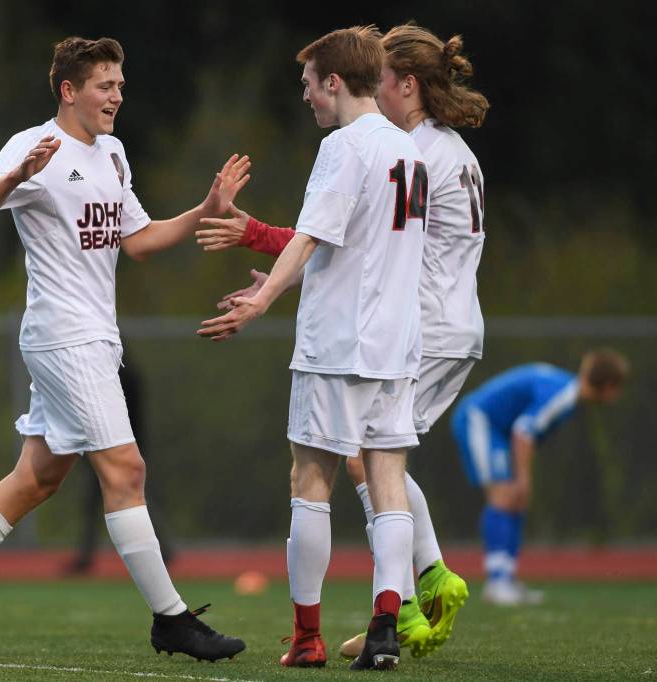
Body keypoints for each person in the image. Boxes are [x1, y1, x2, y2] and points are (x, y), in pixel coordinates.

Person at [0, 36, 249, 663]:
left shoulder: (111, 152)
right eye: (105, 85)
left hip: (95, 336)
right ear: (69, 90)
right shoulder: (36, 147)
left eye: (119, 85)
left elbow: (136, 240)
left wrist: (203, 210)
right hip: (63, 336)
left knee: (37, 478)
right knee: (127, 471)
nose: (117, 96)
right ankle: (171, 620)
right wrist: (15, 176)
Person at [196, 23, 489, 660]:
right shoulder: (409, 150)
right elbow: (354, 245)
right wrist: (280, 268)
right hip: (398, 342)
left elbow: (312, 236)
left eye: (307, 83)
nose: (304, 96)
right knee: (386, 480)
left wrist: (261, 300)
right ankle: (388, 624)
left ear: (334, 82)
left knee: (311, 479)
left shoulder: (345, 146)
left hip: (338, 341)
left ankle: (307, 638)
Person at [452, 350, 628, 605]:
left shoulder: (567, 389)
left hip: (499, 430)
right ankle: (497, 582)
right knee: (504, 496)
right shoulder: (565, 395)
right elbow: (524, 432)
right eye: (618, 388)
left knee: (516, 499)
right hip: (479, 419)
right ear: (609, 386)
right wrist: (524, 477)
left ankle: (507, 579)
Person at [65, 352, 175, 575]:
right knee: (126, 499)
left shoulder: (112, 377)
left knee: (127, 499)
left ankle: (157, 551)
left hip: (114, 446)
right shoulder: (122, 374)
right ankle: (160, 550)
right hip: (117, 445)